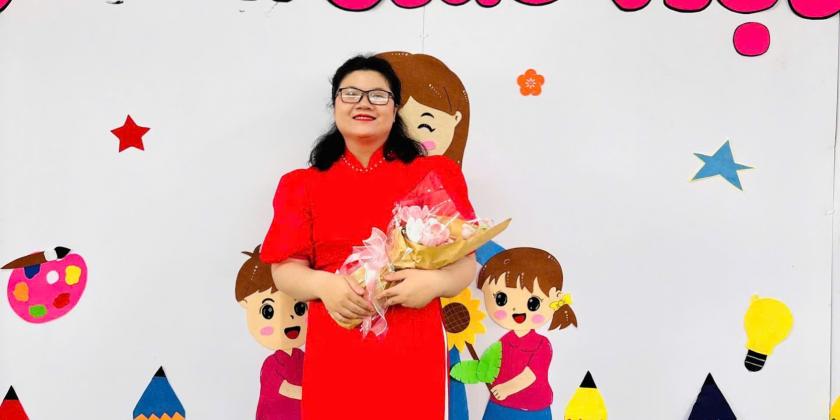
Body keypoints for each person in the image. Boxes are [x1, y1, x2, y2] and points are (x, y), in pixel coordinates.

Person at [260, 55, 478, 420]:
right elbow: (285, 271)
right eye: (350, 94)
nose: (364, 103)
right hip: (337, 344)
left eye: (378, 95)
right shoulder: (302, 185)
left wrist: (436, 282)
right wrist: (325, 285)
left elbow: (465, 264)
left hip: (413, 343)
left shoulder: (435, 174)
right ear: (335, 106)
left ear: (395, 109)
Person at [475, 247, 577, 420]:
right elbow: (492, 365)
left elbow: (531, 374)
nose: (516, 310)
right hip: (499, 406)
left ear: (554, 299)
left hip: (532, 408)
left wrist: (506, 389)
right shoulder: (504, 341)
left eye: (533, 303)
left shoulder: (541, 344)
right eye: (501, 299)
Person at [236, 245, 307, 420]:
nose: (289, 318)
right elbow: (285, 388)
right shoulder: (272, 364)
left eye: (299, 308)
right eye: (268, 312)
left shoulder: (302, 358)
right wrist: (312, 392)